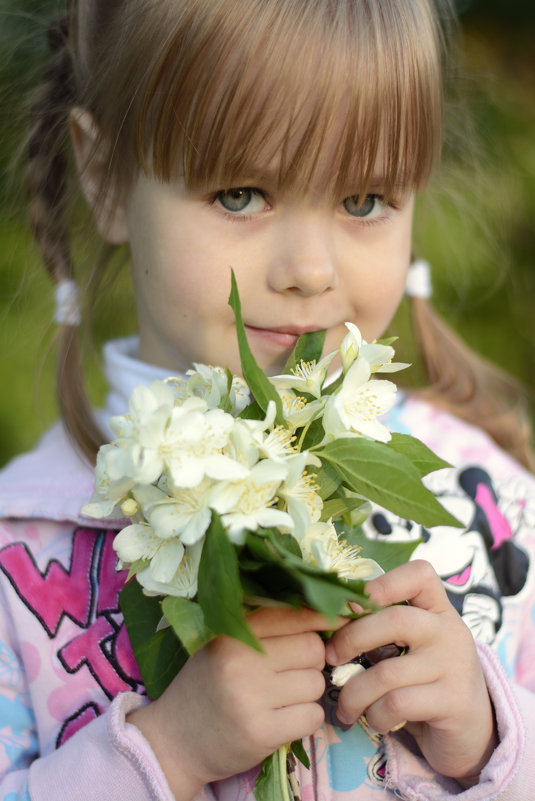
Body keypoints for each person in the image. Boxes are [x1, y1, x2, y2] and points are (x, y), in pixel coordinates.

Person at [0, 1, 534, 799]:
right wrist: (165, 755)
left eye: (363, 202)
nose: (310, 269)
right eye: (242, 193)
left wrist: (493, 738)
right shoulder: (20, 550)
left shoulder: (489, 509)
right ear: (107, 179)